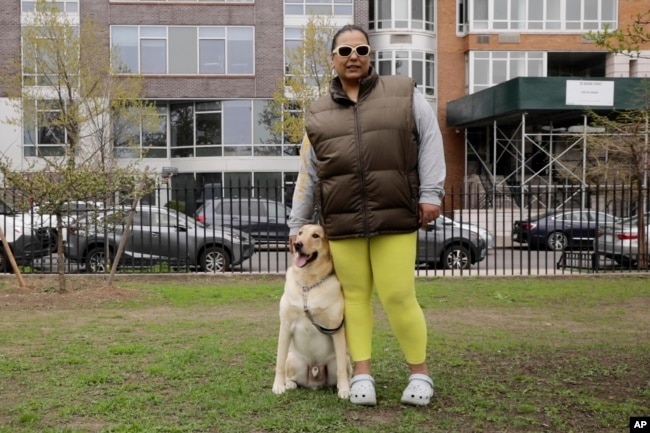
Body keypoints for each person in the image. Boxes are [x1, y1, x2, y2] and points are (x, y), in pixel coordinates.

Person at [287, 24, 446, 406]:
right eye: (344, 51)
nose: (352, 56)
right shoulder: (318, 114)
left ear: (370, 56)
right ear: (333, 59)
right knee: (354, 299)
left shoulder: (405, 94)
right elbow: (309, 173)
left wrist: (430, 193)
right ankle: (361, 374)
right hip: (343, 224)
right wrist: (297, 225)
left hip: (395, 216)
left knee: (398, 295)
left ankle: (419, 375)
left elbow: (430, 140)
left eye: (360, 49)